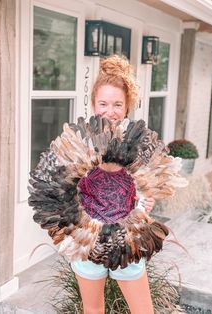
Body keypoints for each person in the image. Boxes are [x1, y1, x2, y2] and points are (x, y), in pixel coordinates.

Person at [71, 55, 155, 314]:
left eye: (118, 104)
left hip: (126, 239)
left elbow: (148, 185)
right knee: (93, 310)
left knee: (143, 311)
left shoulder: (139, 144)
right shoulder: (77, 144)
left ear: (127, 106)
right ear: (93, 104)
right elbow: (63, 193)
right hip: (89, 240)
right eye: (103, 103)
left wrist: (145, 202)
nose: (110, 111)